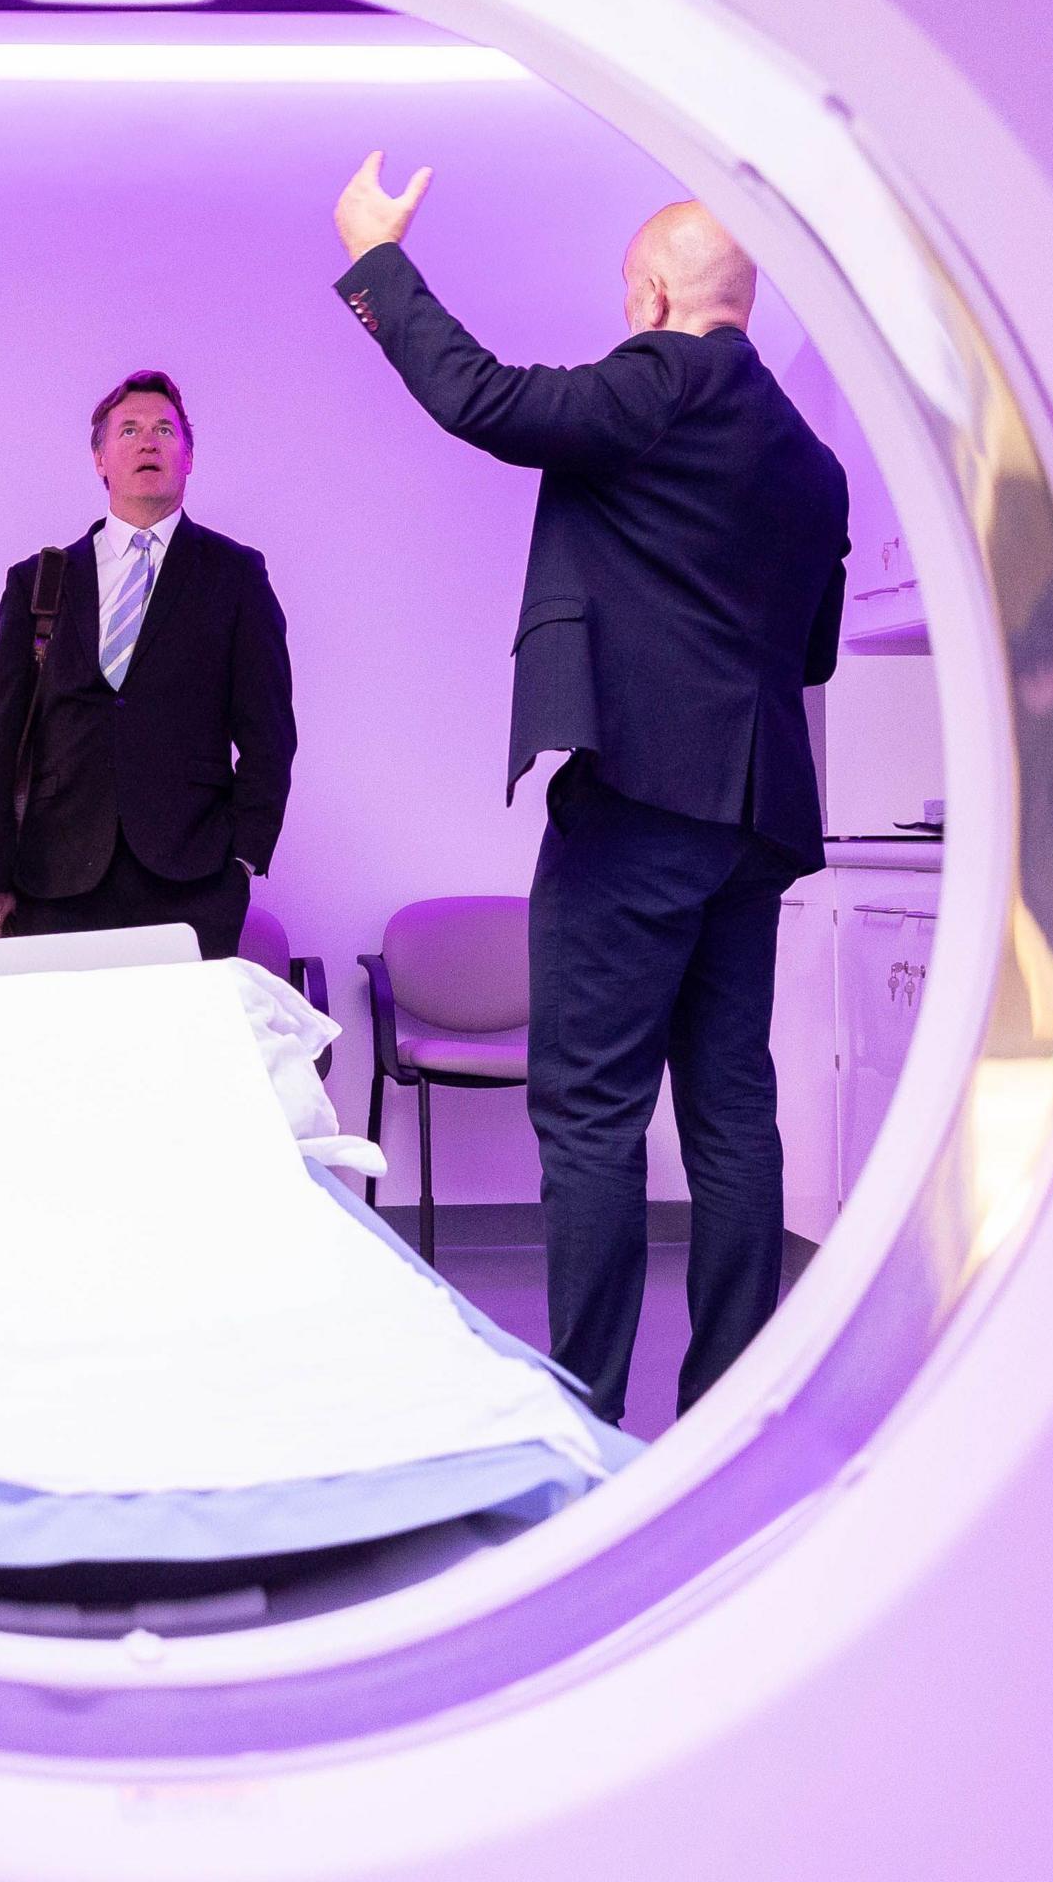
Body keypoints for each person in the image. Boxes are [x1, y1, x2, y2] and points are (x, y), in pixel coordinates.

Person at [326, 154, 850, 1424]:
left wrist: (375, 260)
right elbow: (816, 649)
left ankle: (581, 1406)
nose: (628, 318)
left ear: (659, 297)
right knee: (729, 1106)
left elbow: (491, 403)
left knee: (592, 1108)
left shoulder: (665, 380)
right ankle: (731, 1408)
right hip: (759, 814)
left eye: (631, 297)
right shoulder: (808, 457)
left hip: (644, 805)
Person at [0, 370, 296, 962]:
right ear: (100, 459)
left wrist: (241, 858)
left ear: (189, 456)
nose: (148, 441)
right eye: (128, 430)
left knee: (179, 1053)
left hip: (191, 877)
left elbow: (269, 735)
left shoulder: (235, 575)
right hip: (51, 875)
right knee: (65, 1052)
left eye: (165, 429)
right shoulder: (40, 580)